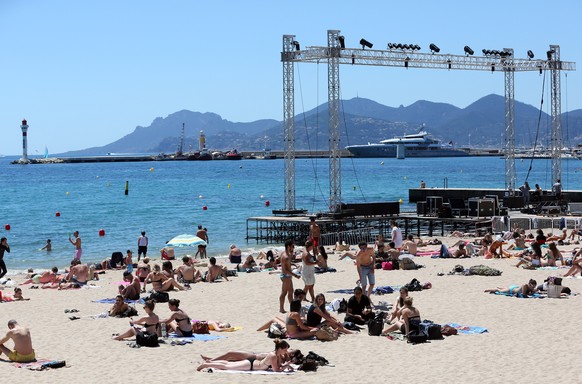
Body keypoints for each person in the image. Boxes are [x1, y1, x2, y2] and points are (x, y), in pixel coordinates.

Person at [197, 339, 294, 372]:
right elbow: (276, 370)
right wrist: (286, 365)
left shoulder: (275, 354)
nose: (285, 351)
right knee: (226, 366)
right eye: (285, 349)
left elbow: (277, 366)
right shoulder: (273, 355)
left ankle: (210, 362)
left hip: (252, 364)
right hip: (250, 365)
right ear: (280, 348)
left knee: (228, 363)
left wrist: (287, 365)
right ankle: (206, 365)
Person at [279, 240, 300, 313]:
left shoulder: (284, 253)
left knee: (291, 291)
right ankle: (281, 308)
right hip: (286, 276)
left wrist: (292, 264)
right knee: (284, 292)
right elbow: (285, 270)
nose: (293, 248)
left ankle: (292, 307)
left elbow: (285, 265)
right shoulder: (286, 256)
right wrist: (295, 275)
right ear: (288, 247)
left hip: (287, 275)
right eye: (292, 246)